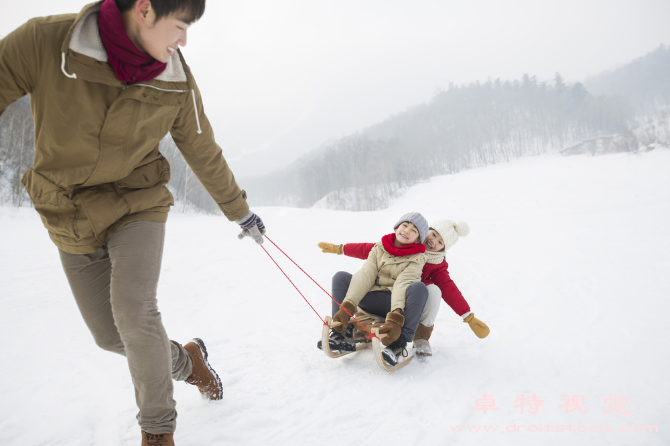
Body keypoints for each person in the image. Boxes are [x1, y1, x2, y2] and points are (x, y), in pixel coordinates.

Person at [0, 1, 266, 444]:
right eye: (180, 25)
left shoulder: (175, 79)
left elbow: (201, 148)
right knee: (109, 336)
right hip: (68, 211)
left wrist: (239, 210)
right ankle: (187, 362)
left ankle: (158, 430)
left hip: (137, 203)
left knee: (134, 310)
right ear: (144, 9)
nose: (184, 40)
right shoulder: (46, 42)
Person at [318, 219, 490, 357]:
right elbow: (366, 249)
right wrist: (339, 248)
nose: (433, 241)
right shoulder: (392, 245)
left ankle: (418, 336)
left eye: (440, 242)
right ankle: (341, 330)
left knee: (430, 289)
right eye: (434, 234)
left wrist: (468, 316)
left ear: (443, 249)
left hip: (407, 305)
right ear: (427, 230)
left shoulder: (434, 264)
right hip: (377, 297)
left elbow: (449, 289)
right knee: (342, 277)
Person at [320, 212, 430, 367]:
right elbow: (366, 275)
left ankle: (398, 344)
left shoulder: (417, 258)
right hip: (372, 301)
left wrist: (395, 316)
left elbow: (402, 284)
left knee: (419, 288)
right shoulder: (379, 248)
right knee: (341, 277)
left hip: (396, 306)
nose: (407, 230)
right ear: (397, 227)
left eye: (414, 230)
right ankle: (342, 333)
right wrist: (348, 306)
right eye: (405, 225)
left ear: (418, 239)